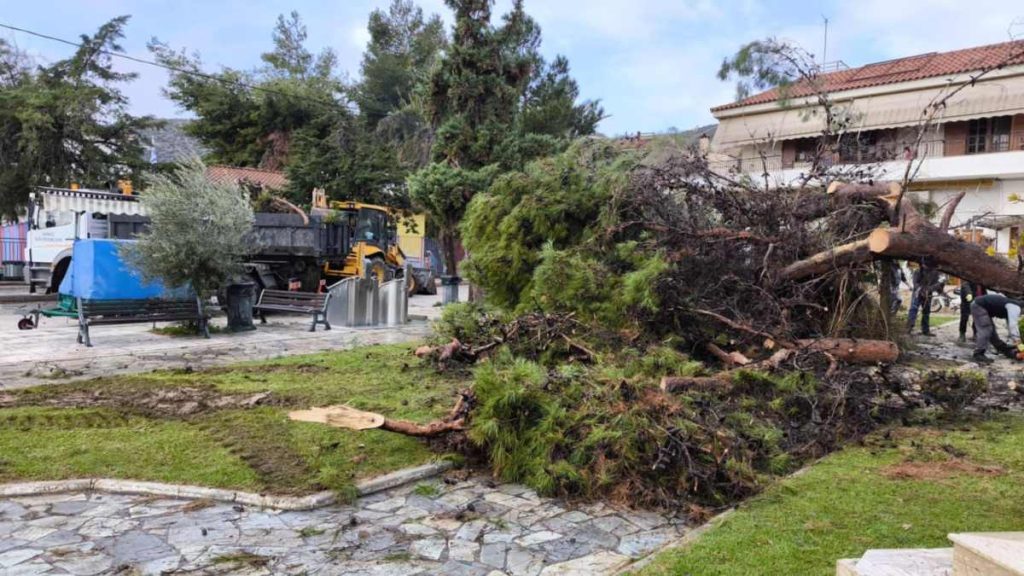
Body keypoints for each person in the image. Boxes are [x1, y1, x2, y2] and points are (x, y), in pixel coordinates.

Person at [970, 293, 1022, 364]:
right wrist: (1018, 342)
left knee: (991, 330)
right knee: (986, 329)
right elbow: (1013, 325)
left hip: (981, 305)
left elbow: (1009, 324)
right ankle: (978, 354)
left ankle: (1003, 349)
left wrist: (1014, 340)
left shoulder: (1013, 306)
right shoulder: (1015, 308)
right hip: (979, 305)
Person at [906, 263, 941, 336]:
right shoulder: (918, 271)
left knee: (926, 312)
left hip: (928, 294)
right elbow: (915, 284)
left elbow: (937, 284)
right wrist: (922, 291)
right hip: (917, 294)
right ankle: (908, 328)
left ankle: (925, 330)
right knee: (913, 309)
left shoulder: (935, 273)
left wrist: (929, 289)